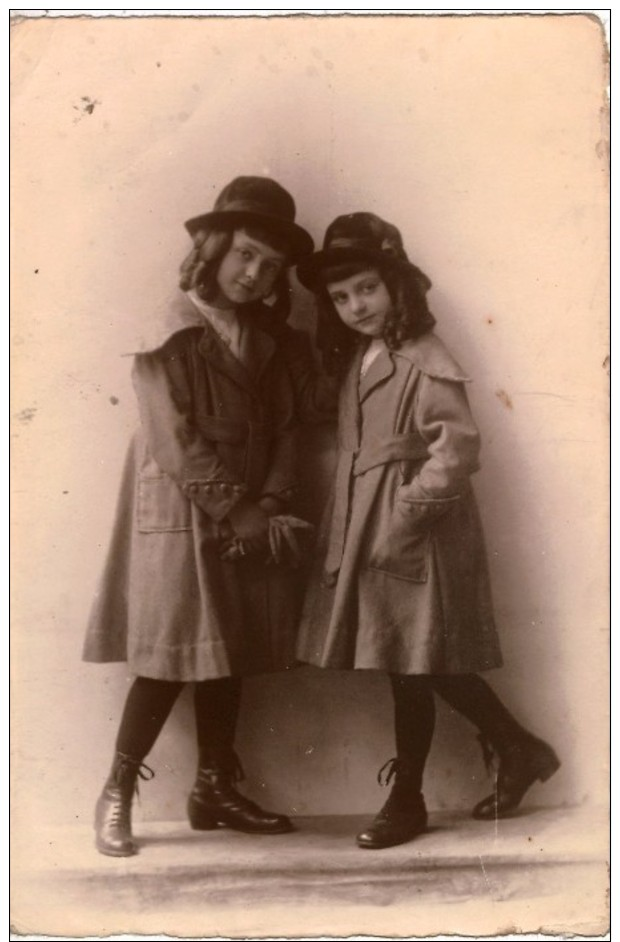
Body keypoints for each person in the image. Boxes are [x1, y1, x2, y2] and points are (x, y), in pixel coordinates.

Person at [295, 212, 560, 850]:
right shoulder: (363, 358)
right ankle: (516, 748)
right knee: (407, 662)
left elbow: (457, 450)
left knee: (412, 665)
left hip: (419, 531)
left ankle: (408, 798)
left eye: (367, 288)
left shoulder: (425, 357)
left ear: (397, 287)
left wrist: (407, 513)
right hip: (369, 525)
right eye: (341, 296)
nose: (356, 305)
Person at [83, 176, 314, 857]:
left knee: (230, 649)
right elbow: (173, 439)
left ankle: (213, 787)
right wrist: (236, 508)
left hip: (246, 512)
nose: (254, 273)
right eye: (245, 254)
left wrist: (269, 502)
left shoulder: (269, 339)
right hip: (182, 514)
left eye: (270, 266)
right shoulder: (169, 326)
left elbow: (289, 430)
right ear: (213, 249)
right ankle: (118, 788)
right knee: (169, 654)